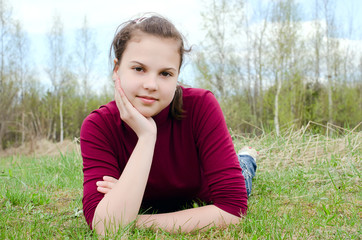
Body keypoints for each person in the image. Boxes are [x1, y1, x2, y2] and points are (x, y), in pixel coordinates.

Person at [80, 14, 258, 235]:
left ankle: (247, 158)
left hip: (201, 193)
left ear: (177, 77)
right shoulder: (98, 126)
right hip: (180, 204)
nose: (151, 84)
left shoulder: (201, 105)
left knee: (243, 174)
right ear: (117, 69)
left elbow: (233, 210)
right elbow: (105, 229)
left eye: (165, 73)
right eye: (138, 69)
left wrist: (131, 218)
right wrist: (146, 137)